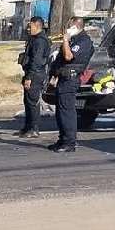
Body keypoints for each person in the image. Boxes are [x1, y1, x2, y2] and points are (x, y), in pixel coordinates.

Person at [49, 16, 94, 153]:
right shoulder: (73, 40)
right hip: (63, 78)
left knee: (67, 111)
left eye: (70, 26)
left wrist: (65, 41)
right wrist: (54, 74)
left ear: (76, 27)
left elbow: (69, 57)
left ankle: (69, 142)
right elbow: (61, 60)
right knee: (60, 111)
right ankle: (62, 139)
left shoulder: (83, 41)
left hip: (71, 79)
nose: (67, 29)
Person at [16, 17, 52, 138]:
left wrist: (29, 77)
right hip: (31, 72)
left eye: (30, 26)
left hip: (36, 74)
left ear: (37, 26)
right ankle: (27, 127)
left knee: (32, 101)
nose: (28, 29)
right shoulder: (34, 39)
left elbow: (36, 61)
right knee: (27, 101)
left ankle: (34, 128)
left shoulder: (40, 41)